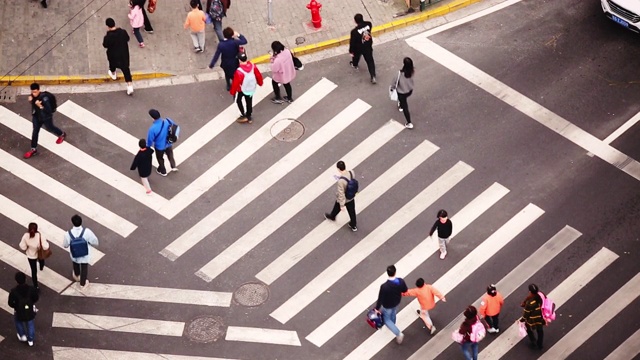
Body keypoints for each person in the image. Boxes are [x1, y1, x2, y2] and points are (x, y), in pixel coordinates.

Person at [24, 83, 66, 159]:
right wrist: (31, 101)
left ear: (39, 90)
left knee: (50, 128)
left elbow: (49, 110)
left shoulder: (44, 98)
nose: (34, 94)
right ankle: (33, 149)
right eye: (32, 92)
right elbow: (34, 105)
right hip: (36, 117)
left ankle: (61, 134)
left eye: (35, 92)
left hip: (46, 117)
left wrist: (40, 106)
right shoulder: (33, 96)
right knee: (35, 132)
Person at [62, 215, 99, 289]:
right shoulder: (87, 231)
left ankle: (76, 275)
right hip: (85, 254)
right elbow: (95, 242)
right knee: (84, 268)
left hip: (75, 254)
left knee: (75, 264)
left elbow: (65, 245)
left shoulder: (68, 234)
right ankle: (83, 284)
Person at [375, 265, 408, 344]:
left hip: (387, 305)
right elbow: (405, 290)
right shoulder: (400, 281)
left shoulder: (384, 286)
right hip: (397, 302)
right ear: (395, 272)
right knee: (393, 313)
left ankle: (398, 333)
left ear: (387, 273)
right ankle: (393, 324)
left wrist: (377, 308)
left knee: (386, 320)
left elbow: (380, 298)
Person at [230, 52, 264, 124]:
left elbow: (235, 83)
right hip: (251, 89)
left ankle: (243, 114)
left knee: (239, 100)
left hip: (242, 89)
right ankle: (249, 115)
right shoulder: (253, 66)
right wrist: (260, 83)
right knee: (249, 102)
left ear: (239, 60)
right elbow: (258, 75)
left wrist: (232, 92)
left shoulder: (239, 71)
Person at [103, 18, 134, 95]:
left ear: (108, 26)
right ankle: (130, 86)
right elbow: (127, 38)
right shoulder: (123, 32)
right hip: (123, 54)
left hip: (113, 55)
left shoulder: (108, 37)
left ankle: (113, 75)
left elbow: (105, 45)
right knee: (126, 70)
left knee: (112, 65)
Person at [324, 161, 357, 231]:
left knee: (337, 205)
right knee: (352, 211)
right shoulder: (351, 172)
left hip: (345, 198)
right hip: (351, 196)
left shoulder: (341, 181)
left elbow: (341, 193)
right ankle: (353, 225)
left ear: (338, 169)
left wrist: (342, 205)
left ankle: (332, 216)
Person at [8, 272, 39, 347]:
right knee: (30, 323)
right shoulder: (31, 289)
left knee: (18, 321)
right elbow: (36, 298)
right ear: (25, 279)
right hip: (29, 309)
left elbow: (10, 303)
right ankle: (30, 339)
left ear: (16, 280)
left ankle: (22, 335)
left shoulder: (14, 291)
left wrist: (15, 306)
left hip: (19, 310)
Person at [19, 223, 50, 291]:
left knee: (33, 270)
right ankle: (41, 266)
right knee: (41, 260)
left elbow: (23, 247)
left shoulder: (25, 236)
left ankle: (35, 285)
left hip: (31, 255)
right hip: (39, 253)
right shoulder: (40, 235)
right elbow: (45, 247)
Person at [146, 109, 177, 176]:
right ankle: (173, 166)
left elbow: (150, 140)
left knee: (160, 158)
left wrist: (147, 147)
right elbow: (174, 127)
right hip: (168, 143)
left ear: (152, 118)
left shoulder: (152, 129)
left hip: (159, 146)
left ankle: (163, 171)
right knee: (170, 154)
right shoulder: (168, 120)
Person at [348, 13, 376, 84]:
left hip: (359, 48)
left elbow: (352, 42)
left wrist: (351, 51)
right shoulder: (369, 24)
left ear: (355, 21)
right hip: (368, 46)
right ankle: (373, 76)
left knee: (356, 57)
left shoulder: (354, 32)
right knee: (370, 61)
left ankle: (355, 64)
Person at [390, 57, 415, 129]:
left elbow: (394, 83)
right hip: (409, 91)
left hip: (401, 92)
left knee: (405, 107)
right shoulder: (412, 72)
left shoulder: (399, 74)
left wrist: (392, 88)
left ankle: (409, 122)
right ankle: (400, 105)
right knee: (403, 101)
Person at [521, 284, 545, 349]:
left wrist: (521, 320)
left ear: (530, 291)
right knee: (540, 331)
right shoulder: (541, 296)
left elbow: (526, 313)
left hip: (532, 319)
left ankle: (533, 341)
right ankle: (540, 344)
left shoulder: (529, 302)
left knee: (528, 329)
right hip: (540, 317)